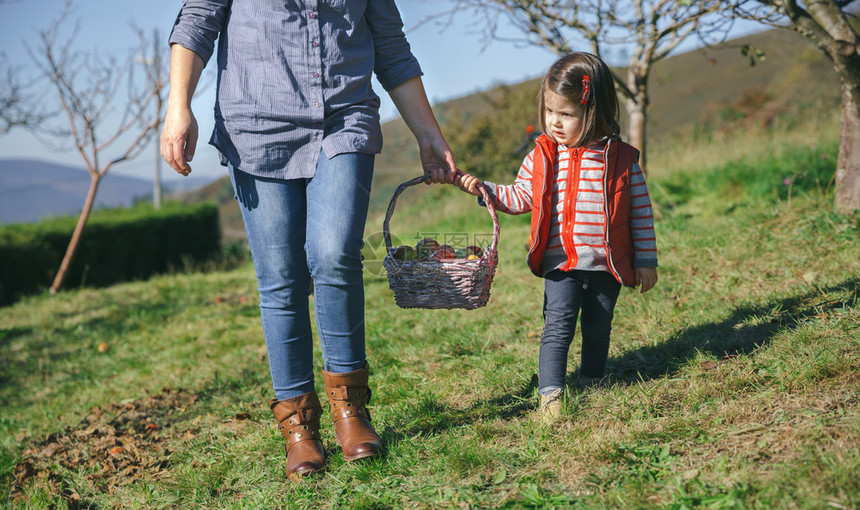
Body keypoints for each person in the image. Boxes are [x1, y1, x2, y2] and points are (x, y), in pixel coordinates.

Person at [161, 1, 457, 481]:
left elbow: (391, 47)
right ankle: (299, 425)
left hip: (344, 117)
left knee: (335, 253)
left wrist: (429, 134)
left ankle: (350, 409)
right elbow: (196, 22)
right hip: (255, 125)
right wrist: (179, 108)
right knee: (281, 278)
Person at [455, 52, 658, 422]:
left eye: (566, 114)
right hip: (560, 262)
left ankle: (593, 380)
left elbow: (641, 214)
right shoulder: (543, 156)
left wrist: (646, 260)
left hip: (605, 264)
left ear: (592, 111)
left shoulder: (622, 160)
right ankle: (551, 394)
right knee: (558, 325)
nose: (555, 123)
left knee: (598, 326)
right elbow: (520, 197)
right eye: (550, 112)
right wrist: (483, 189)